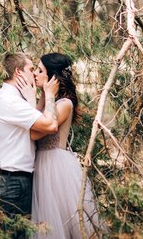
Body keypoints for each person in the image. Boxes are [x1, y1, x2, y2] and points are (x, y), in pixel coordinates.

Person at [16, 52, 104, 239]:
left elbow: (33, 132)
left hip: (55, 166)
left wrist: (40, 98)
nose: (35, 75)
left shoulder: (64, 104)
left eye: (40, 71)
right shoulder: (48, 99)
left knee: (60, 223)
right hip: (40, 164)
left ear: (52, 77)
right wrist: (40, 97)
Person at [0, 52, 59, 238]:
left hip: (12, 178)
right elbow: (50, 125)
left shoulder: (12, 99)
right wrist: (50, 95)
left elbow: (33, 125)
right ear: (18, 73)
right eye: (31, 69)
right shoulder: (9, 101)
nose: (35, 73)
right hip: (12, 180)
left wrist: (36, 98)